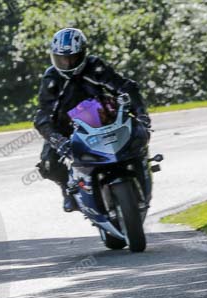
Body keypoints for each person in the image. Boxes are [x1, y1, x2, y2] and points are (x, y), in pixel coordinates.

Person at [34, 28, 150, 212]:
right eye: (62, 58)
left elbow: (125, 87)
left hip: (102, 118)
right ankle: (67, 187)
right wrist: (57, 139)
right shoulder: (52, 78)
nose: (67, 63)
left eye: (73, 58)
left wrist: (141, 113)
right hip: (67, 128)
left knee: (138, 132)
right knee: (48, 165)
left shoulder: (95, 67)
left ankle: (141, 166)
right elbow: (42, 115)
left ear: (83, 53)